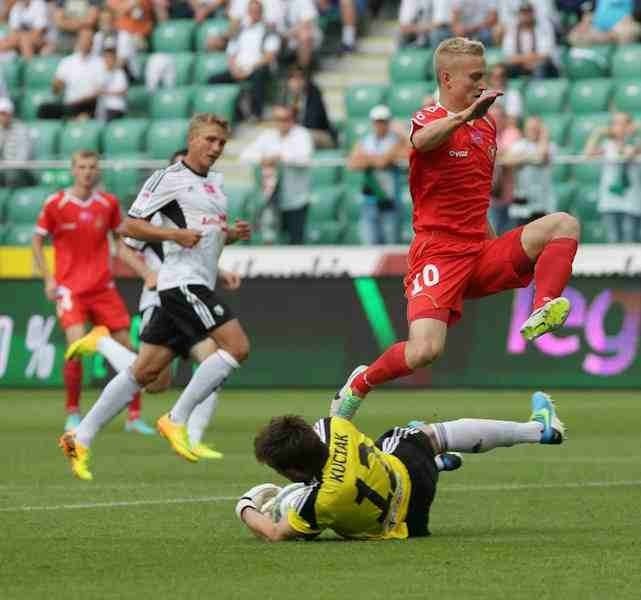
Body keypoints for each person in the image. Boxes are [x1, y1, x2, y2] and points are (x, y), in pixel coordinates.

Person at [330, 37, 580, 421]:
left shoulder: (488, 127)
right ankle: (359, 384)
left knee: (564, 224)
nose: (482, 84)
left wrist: (496, 248)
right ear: (447, 78)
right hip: (438, 253)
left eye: (485, 76)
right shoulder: (428, 118)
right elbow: (421, 140)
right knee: (426, 351)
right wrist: (464, 116)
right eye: (474, 77)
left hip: (479, 249)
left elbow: (476, 198)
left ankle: (543, 306)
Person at [58, 113, 252, 481]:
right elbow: (129, 225)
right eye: (209, 140)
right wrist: (173, 237)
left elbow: (207, 234)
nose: (216, 148)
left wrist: (231, 235)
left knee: (145, 372)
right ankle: (177, 420)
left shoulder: (215, 185)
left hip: (197, 282)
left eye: (221, 143)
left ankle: (79, 437)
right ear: (192, 138)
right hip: (181, 283)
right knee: (236, 347)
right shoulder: (169, 179)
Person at [235, 391, 565, 541]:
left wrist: (246, 507)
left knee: (396, 445)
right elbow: (344, 401)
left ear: (291, 473)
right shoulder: (335, 427)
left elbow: (276, 533)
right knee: (421, 433)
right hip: (409, 470)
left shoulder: (318, 503)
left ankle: (439, 462)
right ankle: (539, 430)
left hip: (410, 523)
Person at [32, 150, 156, 435]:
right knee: (76, 347)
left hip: (103, 289)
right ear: (72, 170)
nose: (87, 172)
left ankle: (133, 417)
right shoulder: (56, 203)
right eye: (82, 167)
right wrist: (48, 279)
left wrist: (146, 272)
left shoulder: (108, 203)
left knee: (129, 349)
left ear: (97, 171)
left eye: (92, 167)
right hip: (70, 290)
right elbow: (37, 242)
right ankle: (73, 413)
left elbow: (121, 246)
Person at [240, 104, 314, 244]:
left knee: (295, 241)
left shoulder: (302, 134)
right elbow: (245, 155)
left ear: (293, 119)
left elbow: (304, 158)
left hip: (296, 199)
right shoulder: (268, 135)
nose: (282, 122)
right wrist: (263, 159)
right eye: (278, 119)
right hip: (271, 199)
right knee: (271, 239)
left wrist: (280, 157)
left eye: (286, 118)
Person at [208, 0, 281, 120]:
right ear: (248, 11)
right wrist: (234, 69)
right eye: (251, 10)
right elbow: (231, 54)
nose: (254, 13)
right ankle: (236, 114)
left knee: (259, 75)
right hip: (239, 68)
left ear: (262, 12)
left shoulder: (269, 30)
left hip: (258, 67)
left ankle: (256, 113)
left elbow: (269, 56)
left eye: (257, 11)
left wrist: (250, 68)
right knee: (213, 80)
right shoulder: (240, 30)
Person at [347, 104, 406, 245]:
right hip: (369, 200)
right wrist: (382, 158)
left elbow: (382, 162)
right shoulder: (365, 140)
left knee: (391, 243)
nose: (380, 124)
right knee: (369, 245)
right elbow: (352, 163)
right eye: (377, 121)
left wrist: (367, 158)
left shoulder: (396, 140)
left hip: (389, 200)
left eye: (383, 121)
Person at [584, 112, 641, 243]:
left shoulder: (637, 144)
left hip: (632, 200)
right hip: (610, 200)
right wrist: (598, 133)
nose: (619, 127)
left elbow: (629, 152)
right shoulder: (607, 145)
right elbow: (588, 154)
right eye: (615, 124)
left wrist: (636, 130)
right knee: (613, 239)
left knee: (630, 239)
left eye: (624, 123)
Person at [38, 28, 106, 120]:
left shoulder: (100, 62)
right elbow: (56, 88)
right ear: (78, 41)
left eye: (88, 39)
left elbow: (99, 90)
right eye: (83, 39)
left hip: (89, 104)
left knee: (83, 111)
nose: (85, 42)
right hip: (70, 104)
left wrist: (80, 100)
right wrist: (56, 86)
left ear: (92, 42)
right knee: (45, 109)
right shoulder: (67, 61)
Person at [503, 116, 556, 227]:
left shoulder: (550, 146)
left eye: (537, 128)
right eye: (531, 128)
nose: (533, 131)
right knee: (519, 237)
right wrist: (530, 157)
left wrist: (544, 136)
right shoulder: (519, 145)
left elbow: (541, 156)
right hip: (523, 200)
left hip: (543, 201)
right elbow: (507, 161)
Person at [280, 65, 336, 149]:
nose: (296, 82)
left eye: (300, 78)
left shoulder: (314, 94)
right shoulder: (286, 97)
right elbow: (281, 118)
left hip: (319, 133)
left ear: (305, 81)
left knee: (300, 137)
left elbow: (313, 122)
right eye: (293, 79)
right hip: (295, 134)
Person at [0, 96, 33, 187]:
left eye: (4, 113)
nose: (2, 117)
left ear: (10, 114)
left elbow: (23, 157)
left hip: (19, 171)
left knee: (13, 173)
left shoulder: (22, 130)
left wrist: (8, 167)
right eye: (1, 114)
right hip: (3, 171)